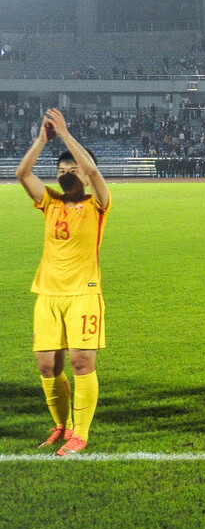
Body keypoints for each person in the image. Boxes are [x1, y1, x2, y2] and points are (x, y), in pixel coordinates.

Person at [16, 109, 110, 456]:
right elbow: (22, 173)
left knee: (82, 363)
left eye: (73, 169)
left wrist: (68, 135)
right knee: (46, 365)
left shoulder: (97, 204)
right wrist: (43, 140)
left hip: (83, 294)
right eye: (62, 169)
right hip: (48, 294)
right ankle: (62, 426)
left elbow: (96, 172)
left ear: (84, 174)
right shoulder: (50, 202)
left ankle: (81, 433)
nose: (66, 173)